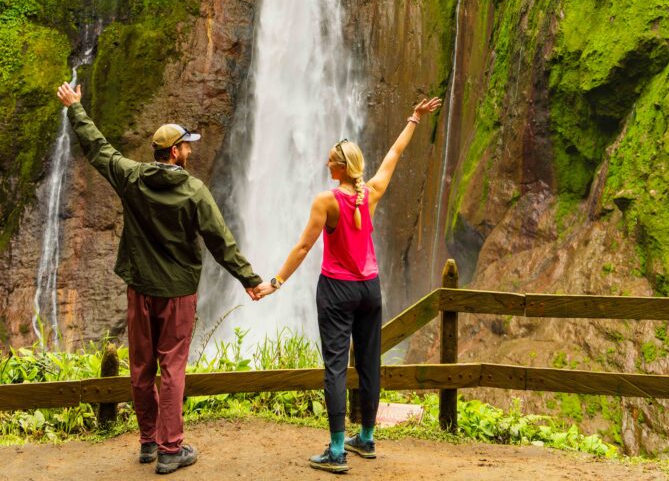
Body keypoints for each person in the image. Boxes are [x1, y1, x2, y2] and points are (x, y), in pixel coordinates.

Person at [57, 82, 262, 475]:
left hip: (140, 291)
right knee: (172, 369)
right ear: (174, 152)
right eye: (187, 146)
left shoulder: (132, 177)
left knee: (141, 368)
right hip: (177, 295)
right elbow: (221, 242)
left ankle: (149, 442)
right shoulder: (194, 191)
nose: (190, 150)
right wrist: (249, 280)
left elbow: (98, 149)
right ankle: (171, 449)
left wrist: (76, 108)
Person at [254, 96, 442, 474]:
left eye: (330, 160)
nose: (326, 163)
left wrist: (275, 282)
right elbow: (394, 155)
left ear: (340, 168)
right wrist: (413, 119)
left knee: (336, 368)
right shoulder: (369, 193)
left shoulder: (327, 201)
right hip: (370, 289)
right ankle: (367, 438)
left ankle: (338, 450)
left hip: (337, 291)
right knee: (370, 363)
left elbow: (304, 246)